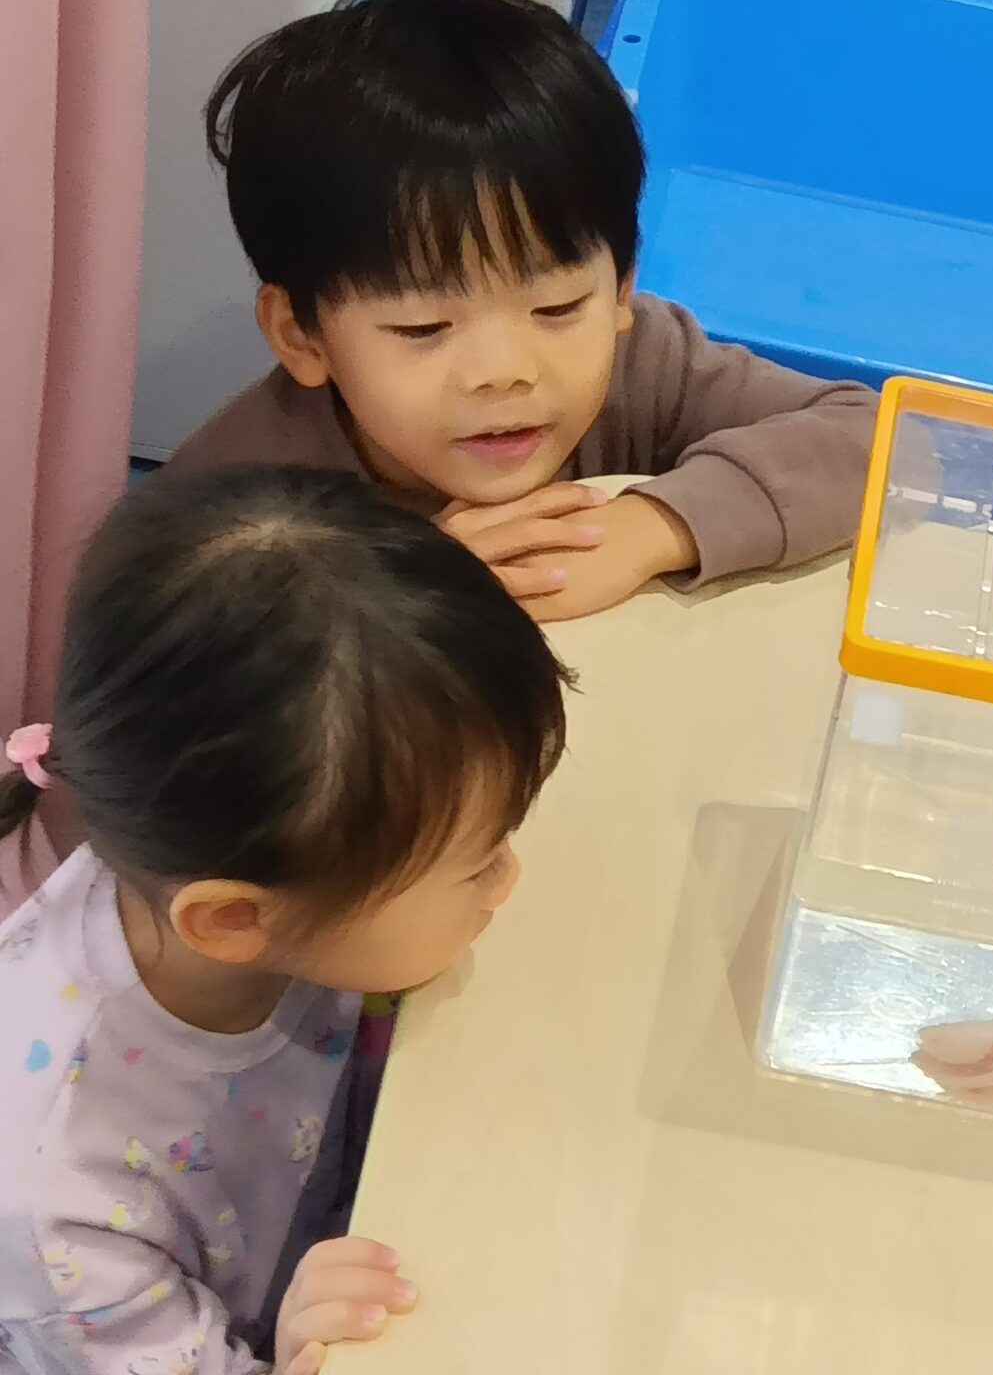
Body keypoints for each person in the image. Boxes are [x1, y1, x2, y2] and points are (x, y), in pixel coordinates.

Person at [0, 467, 572, 1375]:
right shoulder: (63, 1201)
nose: (508, 881)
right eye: (476, 863)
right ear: (234, 921)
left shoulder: (234, 852)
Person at [168, 0, 876, 622]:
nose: (505, 371)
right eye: (424, 328)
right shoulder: (237, 492)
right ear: (301, 336)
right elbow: (141, 649)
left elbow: (879, 439)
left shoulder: (645, 366)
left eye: (557, 308)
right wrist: (398, 591)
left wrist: (657, 524)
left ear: (620, 292)